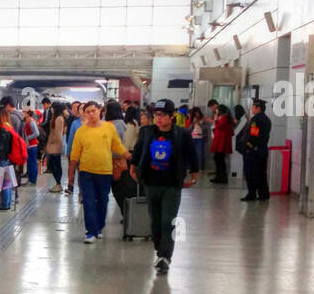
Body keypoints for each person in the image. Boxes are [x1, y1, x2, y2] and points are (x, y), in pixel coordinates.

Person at [131, 99, 199, 273]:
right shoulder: (147, 132)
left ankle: (165, 257)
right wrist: (133, 167)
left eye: (162, 115)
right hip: (151, 183)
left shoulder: (182, 134)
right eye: (156, 115)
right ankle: (159, 248)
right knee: (155, 222)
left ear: (171, 116)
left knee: (168, 221)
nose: (158, 119)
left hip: (172, 185)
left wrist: (194, 174)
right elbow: (138, 151)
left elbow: (192, 154)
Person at [68, 102, 129, 242]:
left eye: (93, 111)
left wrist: (129, 156)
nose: (91, 114)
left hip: (105, 171)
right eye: (87, 112)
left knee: (103, 200)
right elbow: (75, 155)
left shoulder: (109, 128)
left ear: (100, 111)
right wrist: (71, 174)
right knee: (88, 201)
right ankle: (90, 232)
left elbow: (117, 146)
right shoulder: (81, 131)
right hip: (86, 172)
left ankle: (99, 227)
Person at [238, 98, 272, 201]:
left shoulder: (256, 120)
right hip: (262, 150)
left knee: (251, 173)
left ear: (258, 108)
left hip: (253, 151)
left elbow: (253, 135)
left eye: (253, 107)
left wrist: (247, 146)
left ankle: (252, 194)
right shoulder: (267, 119)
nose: (252, 108)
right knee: (261, 173)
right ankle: (264, 194)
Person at [0, 106, 18, 210]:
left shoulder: (2, 130)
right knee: (7, 182)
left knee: (3, 183)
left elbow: (1, 147)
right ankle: (7, 203)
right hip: (8, 158)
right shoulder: (8, 127)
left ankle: (5, 204)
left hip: (3, 159)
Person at [43, 103, 68, 192]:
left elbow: (58, 134)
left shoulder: (59, 119)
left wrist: (57, 144)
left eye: (52, 108)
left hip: (55, 145)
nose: (51, 109)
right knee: (52, 164)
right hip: (52, 144)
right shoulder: (56, 118)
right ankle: (58, 183)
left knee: (55, 165)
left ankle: (58, 183)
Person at [208, 100, 234, 184]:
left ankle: (222, 177)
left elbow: (220, 126)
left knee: (219, 159)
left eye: (217, 111)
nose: (216, 112)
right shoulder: (224, 117)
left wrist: (215, 120)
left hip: (221, 142)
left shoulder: (224, 118)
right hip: (220, 141)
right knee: (218, 159)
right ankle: (219, 177)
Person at [23, 107, 40, 185]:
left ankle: (33, 181)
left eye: (24, 112)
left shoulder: (31, 121)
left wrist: (27, 138)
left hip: (32, 145)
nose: (22, 113)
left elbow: (36, 133)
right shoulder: (27, 121)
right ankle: (30, 179)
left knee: (32, 163)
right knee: (30, 163)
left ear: (27, 113)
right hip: (29, 146)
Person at [188, 107, 207, 171]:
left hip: (200, 138)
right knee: (192, 154)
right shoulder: (192, 119)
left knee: (200, 154)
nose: (196, 114)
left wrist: (198, 122)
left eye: (197, 112)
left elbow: (205, 128)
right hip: (192, 138)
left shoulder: (203, 118)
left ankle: (200, 168)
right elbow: (189, 130)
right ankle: (193, 167)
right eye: (195, 112)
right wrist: (193, 123)